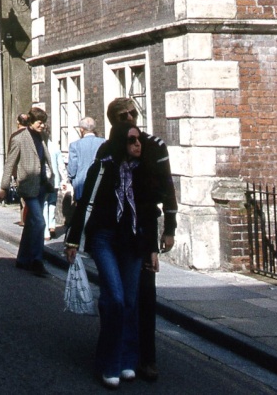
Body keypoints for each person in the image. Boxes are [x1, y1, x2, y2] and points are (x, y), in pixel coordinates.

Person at [64, 123, 161, 389]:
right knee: (115, 298)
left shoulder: (143, 172)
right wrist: (73, 239)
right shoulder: (102, 168)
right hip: (104, 238)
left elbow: (149, 212)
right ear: (120, 143)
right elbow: (86, 203)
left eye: (139, 140)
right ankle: (108, 363)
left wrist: (152, 249)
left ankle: (127, 359)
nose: (137, 144)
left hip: (132, 241)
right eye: (131, 140)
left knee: (130, 301)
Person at [97, 98, 177, 382]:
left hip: (143, 229)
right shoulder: (108, 149)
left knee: (143, 294)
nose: (130, 117)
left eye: (133, 113)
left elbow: (167, 188)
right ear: (114, 121)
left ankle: (147, 357)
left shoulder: (153, 146)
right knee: (115, 297)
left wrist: (169, 228)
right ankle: (112, 352)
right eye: (123, 115)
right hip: (113, 234)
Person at [0, 107, 54, 277]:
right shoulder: (19, 138)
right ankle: (37, 261)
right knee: (40, 223)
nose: (42, 125)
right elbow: (10, 163)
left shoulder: (43, 137)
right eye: (39, 123)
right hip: (28, 186)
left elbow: (44, 160)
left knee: (31, 224)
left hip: (42, 185)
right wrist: (4, 187)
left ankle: (22, 260)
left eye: (44, 123)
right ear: (31, 122)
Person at [67, 117, 106, 203]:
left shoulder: (75, 145)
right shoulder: (104, 142)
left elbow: (72, 170)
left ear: (81, 129)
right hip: (101, 184)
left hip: (81, 185)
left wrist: (71, 179)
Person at [44, 126, 65, 240]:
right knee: (52, 203)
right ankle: (52, 226)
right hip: (55, 181)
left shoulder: (40, 147)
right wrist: (64, 179)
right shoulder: (55, 148)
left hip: (44, 181)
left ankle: (46, 231)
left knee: (44, 204)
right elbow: (61, 166)